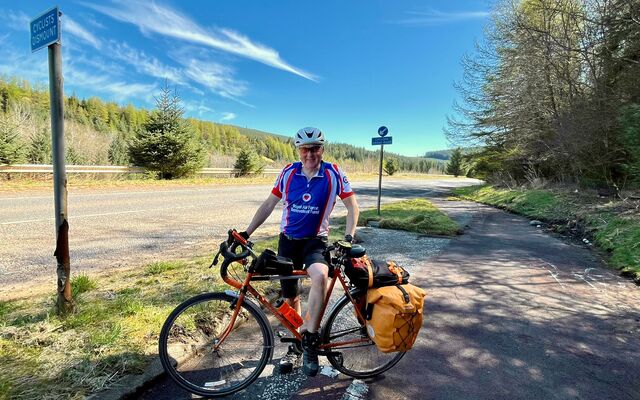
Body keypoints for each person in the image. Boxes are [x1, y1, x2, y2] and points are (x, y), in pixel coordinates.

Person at [240, 126, 359, 377]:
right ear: (299, 150)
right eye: (305, 149)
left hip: (315, 241)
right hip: (288, 242)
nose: (310, 154)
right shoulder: (288, 172)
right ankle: (295, 344)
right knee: (290, 295)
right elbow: (269, 204)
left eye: (315, 148)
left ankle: (310, 341)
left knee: (319, 277)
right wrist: (247, 232)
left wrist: (348, 237)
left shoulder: (333, 173)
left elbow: (352, 207)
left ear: (322, 149)